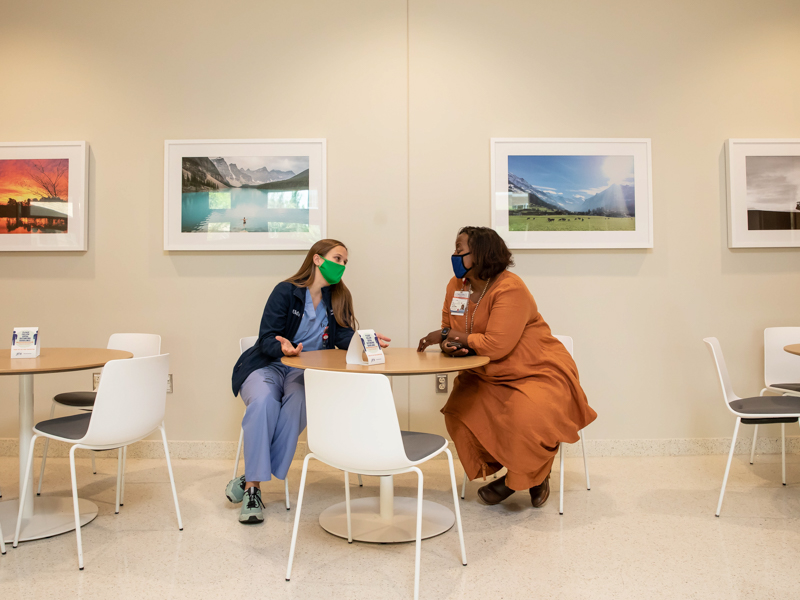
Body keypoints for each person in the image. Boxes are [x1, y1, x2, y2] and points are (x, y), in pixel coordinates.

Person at [417, 226, 596, 508]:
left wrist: (448, 336)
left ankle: (524, 477)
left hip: (536, 370)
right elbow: (447, 329)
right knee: (458, 414)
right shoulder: (456, 285)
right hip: (484, 373)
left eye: (459, 249)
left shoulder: (510, 287)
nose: (454, 254)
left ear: (481, 254)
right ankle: (527, 471)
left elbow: (497, 344)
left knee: (526, 416)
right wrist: (447, 343)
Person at [228, 239, 390, 523]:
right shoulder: (286, 292)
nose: (341, 266)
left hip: (303, 372)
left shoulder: (338, 297)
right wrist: (284, 348)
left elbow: (341, 337)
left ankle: (248, 477)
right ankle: (254, 489)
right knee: (264, 402)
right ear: (317, 259)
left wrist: (364, 341)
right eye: (337, 259)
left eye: (345, 262)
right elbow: (266, 338)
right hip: (269, 365)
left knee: (297, 405)